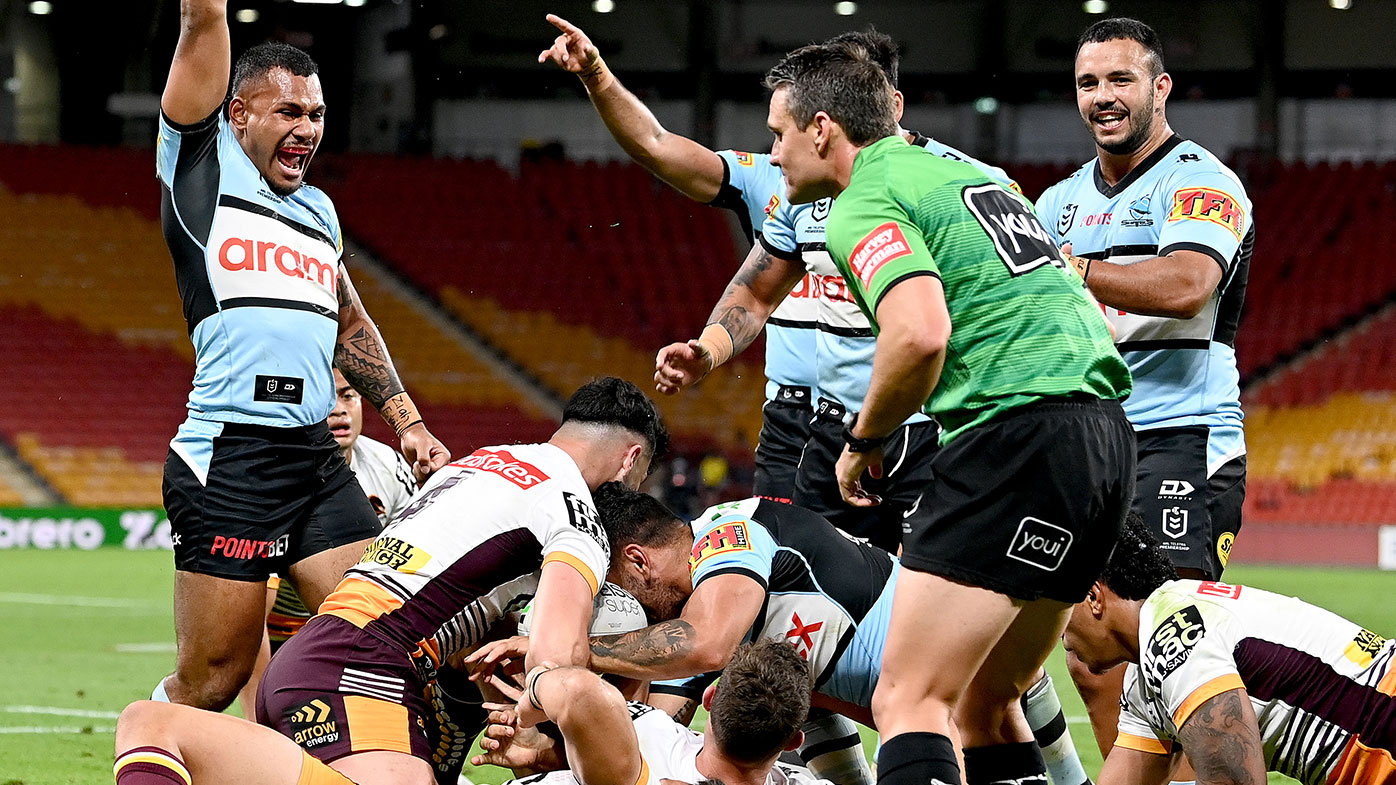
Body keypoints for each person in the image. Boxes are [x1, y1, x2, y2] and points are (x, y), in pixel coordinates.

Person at [764, 41, 1134, 785]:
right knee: (988, 700)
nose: (772, 155)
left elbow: (919, 331)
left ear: (822, 129)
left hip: (1014, 434)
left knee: (908, 695)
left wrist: (860, 441)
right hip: (1102, 441)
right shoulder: (963, 172)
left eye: (777, 133)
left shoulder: (861, 198)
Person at [154, 0, 450, 712]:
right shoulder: (199, 173)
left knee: (385, 636)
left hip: (315, 459)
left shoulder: (319, 211)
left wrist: (405, 417)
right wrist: (209, 13)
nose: (308, 129)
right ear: (237, 115)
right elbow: (199, 23)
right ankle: (152, 746)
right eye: (289, 111)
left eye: (316, 114)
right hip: (231, 458)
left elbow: (350, 320)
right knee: (213, 681)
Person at [251, 377, 666, 785]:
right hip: (362, 670)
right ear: (629, 460)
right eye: (639, 478)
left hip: (313, 658)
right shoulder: (574, 512)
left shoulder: (480, 461)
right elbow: (557, 662)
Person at [1033, 16, 1253, 756]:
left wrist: (1079, 269)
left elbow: (1190, 283)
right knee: (1089, 652)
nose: (1102, 96)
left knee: (1167, 646)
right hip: (1088, 448)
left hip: (1182, 440)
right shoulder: (1057, 204)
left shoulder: (1202, 180)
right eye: (1088, 83)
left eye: (1120, 78)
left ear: (1159, 87)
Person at [538, 13, 812, 504]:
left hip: (899, 423)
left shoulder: (934, 183)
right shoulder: (771, 181)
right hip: (793, 424)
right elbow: (656, 145)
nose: (773, 152)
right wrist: (596, 75)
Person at [469, 484, 896, 785]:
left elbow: (706, 645)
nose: (626, 609)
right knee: (774, 699)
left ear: (638, 562)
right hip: (908, 701)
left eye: (615, 587)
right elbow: (646, 736)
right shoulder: (691, 619)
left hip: (946, 670)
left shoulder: (728, 532)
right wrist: (542, 749)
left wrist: (574, 649)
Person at [110, 579, 651, 785]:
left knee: (148, 720)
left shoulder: (647, 743)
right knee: (147, 719)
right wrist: (544, 758)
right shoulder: (659, 744)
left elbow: (581, 697)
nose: (522, 676)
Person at [1063, 513, 1396, 785]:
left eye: (1060, 606)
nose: (1060, 634)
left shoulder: (1174, 637)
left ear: (1093, 597)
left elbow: (1236, 782)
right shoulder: (1146, 672)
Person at [236, 369, 418, 718]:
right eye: (325, 398)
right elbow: (250, 618)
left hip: (353, 626)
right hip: (282, 634)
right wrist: (259, 722)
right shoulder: (272, 480)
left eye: (348, 396)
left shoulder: (388, 465)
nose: (339, 410)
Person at [476, 641, 826, 785]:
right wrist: (546, 754)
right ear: (795, 740)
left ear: (709, 697)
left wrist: (538, 681)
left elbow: (580, 693)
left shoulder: (649, 732)